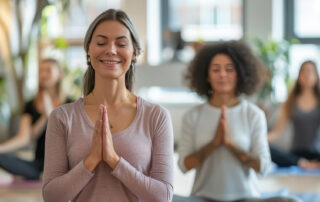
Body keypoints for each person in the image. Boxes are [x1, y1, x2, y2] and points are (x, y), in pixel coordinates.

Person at [42, 9, 174, 202]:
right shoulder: (62, 117)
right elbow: (52, 196)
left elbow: (163, 196)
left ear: (134, 53)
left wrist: (114, 160)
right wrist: (91, 161)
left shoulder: (156, 116)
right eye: (101, 43)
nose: (111, 50)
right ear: (89, 50)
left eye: (121, 44)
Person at [175, 41, 301, 202]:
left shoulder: (253, 114)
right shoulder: (193, 116)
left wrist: (230, 145)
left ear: (239, 74)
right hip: (202, 198)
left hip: (246, 198)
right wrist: (213, 144)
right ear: (206, 75)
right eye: (215, 69)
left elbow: (262, 167)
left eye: (229, 69)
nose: (222, 74)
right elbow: (183, 166)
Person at [0, 58, 70, 181]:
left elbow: (71, 137)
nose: (43, 74)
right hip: (38, 165)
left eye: (48, 70)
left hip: (65, 164)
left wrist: (51, 115)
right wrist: (44, 116)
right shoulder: (30, 104)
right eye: (41, 71)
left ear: (59, 74)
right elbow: (25, 138)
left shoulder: (70, 103)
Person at [268, 60, 320, 169]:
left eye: (310, 72)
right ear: (299, 76)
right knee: (269, 150)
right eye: (304, 72)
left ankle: (312, 164)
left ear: (316, 76)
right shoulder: (290, 102)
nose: (307, 75)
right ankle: (305, 164)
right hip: (296, 156)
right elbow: (277, 132)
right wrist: (259, 140)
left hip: (317, 153)